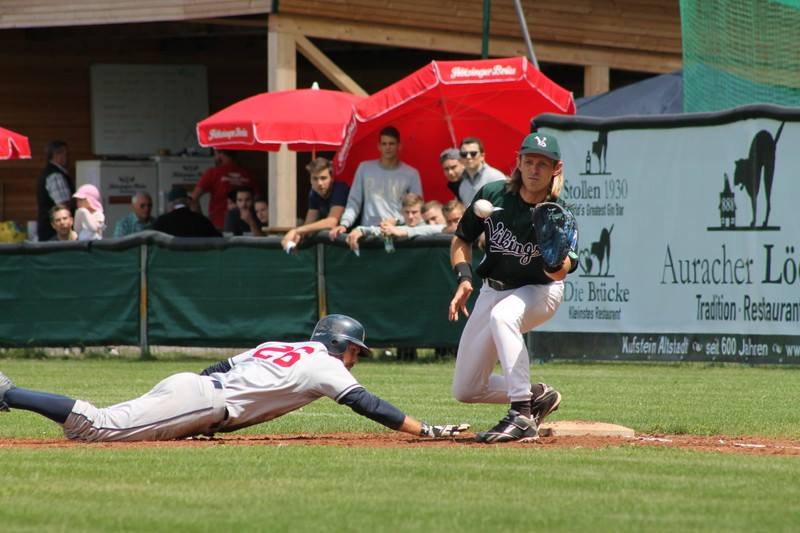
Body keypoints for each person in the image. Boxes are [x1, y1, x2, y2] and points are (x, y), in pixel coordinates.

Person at [0, 315, 469, 442]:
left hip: (193, 389)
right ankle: (8, 392)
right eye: (355, 350)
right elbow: (368, 405)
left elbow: (217, 369)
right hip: (203, 402)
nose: (355, 359)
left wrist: (191, 413)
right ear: (338, 344)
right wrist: (423, 428)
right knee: (95, 426)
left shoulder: (280, 344)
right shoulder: (326, 364)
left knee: (107, 424)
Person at [447, 132, 578, 443]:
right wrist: (464, 278)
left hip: (541, 291)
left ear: (555, 169)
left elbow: (565, 269)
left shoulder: (557, 210)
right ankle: (536, 395)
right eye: (529, 161)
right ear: (518, 162)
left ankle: (521, 414)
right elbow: (461, 239)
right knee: (467, 388)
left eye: (542, 164)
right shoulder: (493, 195)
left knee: (505, 316)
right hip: (493, 290)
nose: (534, 169)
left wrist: (555, 263)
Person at [329, 126, 422, 241]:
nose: (388, 147)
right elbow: (354, 201)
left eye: (391, 144)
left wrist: (397, 220)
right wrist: (344, 224)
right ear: (379, 146)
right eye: (384, 144)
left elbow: (417, 209)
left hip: (397, 234)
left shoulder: (411, 174)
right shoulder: (364, 168)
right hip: (367, 234)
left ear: (399, 146)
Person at [282, 158, 349, 251]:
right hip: (336, 248)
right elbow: (309, 224)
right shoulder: (314, 193)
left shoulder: (340, 188)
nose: (319, 183)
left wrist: (296, 231)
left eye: (323, 178)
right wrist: (298, 237)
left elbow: (332, 222)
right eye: (315, 178)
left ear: (332, 178)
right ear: (310, 180)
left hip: (354, 244)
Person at [191, 149, 261, 230]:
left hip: (218, 227)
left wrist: (202, 222)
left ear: (220, 154)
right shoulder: (248, 174)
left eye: (215, 153)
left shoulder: (213, 173)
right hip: (246, 226)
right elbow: (258, 201)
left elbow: (193, 198)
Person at [36, 140, 74, 242]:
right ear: (54, 155)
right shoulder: (55, 176)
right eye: (62, 153)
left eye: (67, 153)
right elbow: (63, 205)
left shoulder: (53, 173)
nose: (67, 157)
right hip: (54, 232)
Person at [153, 186, 221, 238]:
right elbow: (219, 239)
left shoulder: (161, 222)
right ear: (187, 202)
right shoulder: (202, 220)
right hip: (197, 256)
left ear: (171, 204)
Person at [456, 137, 507, 204]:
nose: (468, 157)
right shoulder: (462, 185)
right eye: (464, 154)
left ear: (482, 156)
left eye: (473, 153)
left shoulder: (496, 177)